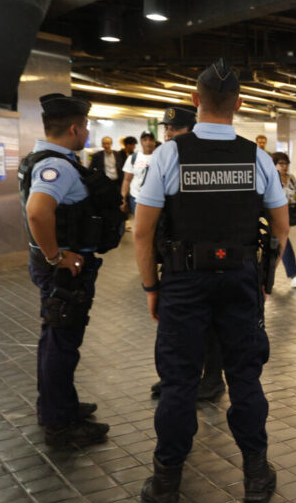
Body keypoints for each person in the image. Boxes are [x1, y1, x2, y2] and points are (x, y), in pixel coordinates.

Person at [134, 59, 288, 503]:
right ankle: (256, 476)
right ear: (238, 105)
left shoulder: (168, 155)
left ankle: (165, 488)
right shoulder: (257, 157)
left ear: (195, 102)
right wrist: (262, 280)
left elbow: (143, 233)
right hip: (240, 279)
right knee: (245, 377)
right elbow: (279, 228)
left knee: (180, 382)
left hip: (183, 280)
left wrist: (151, 287)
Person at [19, 94, 124, 446]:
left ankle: (55, 405)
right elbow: (37, 211)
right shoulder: (58, 166)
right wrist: (55, 256)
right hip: (65, 271)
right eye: (87, 126)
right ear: (76, 128)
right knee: (63, 343)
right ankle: (60, 425)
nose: (88, 132)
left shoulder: (42, 159)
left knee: (54, 338)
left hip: (59, 268)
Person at [147, 106, 227, 402]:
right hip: (176, 257)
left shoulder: (204, 157)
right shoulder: (166, 157)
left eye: (174, 128)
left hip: (209, 257)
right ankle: (178, 377)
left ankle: (212, 378)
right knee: (179, 326)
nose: (168, 133)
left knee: (209, 325)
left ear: (191, 129)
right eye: (166, 128)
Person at [272, 152, 296, 288]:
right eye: (280, 163)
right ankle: (294, 274)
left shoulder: (291, 178)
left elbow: (294, 194)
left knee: (276, 246)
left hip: (287, 213)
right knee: (284, 242)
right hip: (273, 214)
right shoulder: (271, 178)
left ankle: (264, 276)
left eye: (286, 163)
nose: (284, 166)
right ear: (274, 165)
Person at [121, 131, 156, 216]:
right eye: (145, 140)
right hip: (136, 198)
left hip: (154, 198)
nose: (148, 142)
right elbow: (127, 180)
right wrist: (123, 199)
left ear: (154, 142)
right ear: (141, 142)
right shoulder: (133, 158)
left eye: (151, 140)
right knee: (139, 224)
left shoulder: (159, 157)